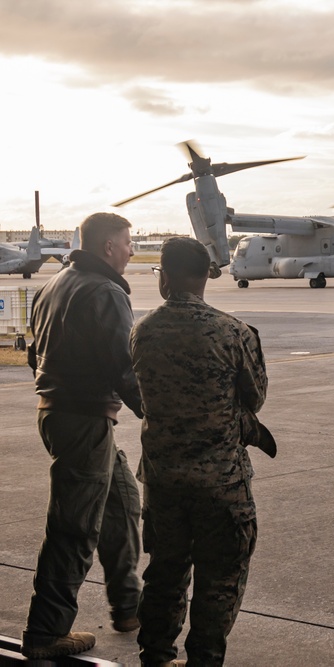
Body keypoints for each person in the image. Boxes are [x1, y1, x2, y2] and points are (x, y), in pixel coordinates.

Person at [131, 237, 271, 666]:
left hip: (164, 480)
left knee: (165, 573)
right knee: (220, 579)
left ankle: (154, 656)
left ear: (165, 277)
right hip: (221, 482)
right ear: (207, 276)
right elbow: (257, 396)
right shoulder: (233, 332)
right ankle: (205, 659)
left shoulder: (143, 330)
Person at [21, 212, 143, 660]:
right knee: (74, 527)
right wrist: (157, 417)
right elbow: (124, 367)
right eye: (128, 242)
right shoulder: (105, 291)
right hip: (83, 419)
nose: (132, 249)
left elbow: (35, 352)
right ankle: (45, 633)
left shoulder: (54, 284)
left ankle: (129, 607)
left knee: (124, 502)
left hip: (58, 414)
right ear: (108, 247)